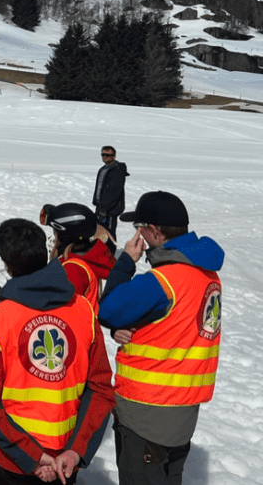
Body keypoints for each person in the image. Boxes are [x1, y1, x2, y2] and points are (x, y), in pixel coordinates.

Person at [0, 218, 115, 485]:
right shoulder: (83, 310)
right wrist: (75, 451)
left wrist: (33, 457)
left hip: (9, 463)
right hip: (64, 463)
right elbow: (101, 390)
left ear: (7, 264)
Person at [98, 191, 223, 485]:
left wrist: (127, 261)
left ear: (154, 232)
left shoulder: (162, 282)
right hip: (183, 413)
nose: (137, 234)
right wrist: (131, 327)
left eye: (139, 227)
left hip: (146, 415)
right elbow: (176, 325)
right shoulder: (207, 274)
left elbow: (107, 309)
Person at [42, 202, 116, 314]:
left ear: (65, 236)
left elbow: (62, 314)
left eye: (55, 233)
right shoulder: (83, 261)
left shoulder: (73, 270)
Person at [92, 145, 128, 238]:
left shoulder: (117, 170)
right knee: (99, 231)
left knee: (109, 233)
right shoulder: (103, 169)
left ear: (114, 156)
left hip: (111, 209)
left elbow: (115, 192)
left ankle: (110, 251)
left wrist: (105, 208)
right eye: (103, 155)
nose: (105, 157)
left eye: (108, 155)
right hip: (101, 206)